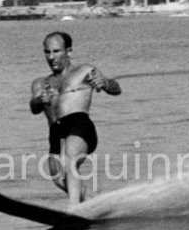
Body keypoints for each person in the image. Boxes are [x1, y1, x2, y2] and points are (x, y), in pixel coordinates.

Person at [30, 31, 121, 207]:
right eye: (47, 52)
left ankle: (74, 209)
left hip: (79, 126)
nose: (51, 57)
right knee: (57, 178)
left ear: (69, 51)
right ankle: (99, 203)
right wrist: (40, 100)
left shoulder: (84, 71)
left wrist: (106, 84)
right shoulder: (40, 83)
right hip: (56, 132)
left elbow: (116, 89)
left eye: (56, 51)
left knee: (69, 159)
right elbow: (34, 107)